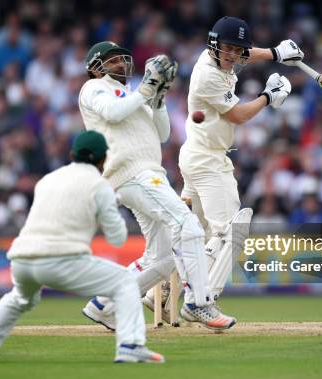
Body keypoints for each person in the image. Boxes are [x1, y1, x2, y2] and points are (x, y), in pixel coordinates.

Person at [0, 131, 164, 364]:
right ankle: (130, 346)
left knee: (19, 299)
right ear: (103, 159)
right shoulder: (99, 185)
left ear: (71, 154)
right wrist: (112, 204)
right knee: (125, 282)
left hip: (22, 259)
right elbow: (117, 238)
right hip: (61, 259)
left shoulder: (48, 179)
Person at [78, 41, 236, 331]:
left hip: (147, 173)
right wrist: (146, 89)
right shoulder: (93, 89)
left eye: (122, 59)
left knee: (162, 258)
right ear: (95, 67)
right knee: (188, 226)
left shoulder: (132, 94)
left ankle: (104, 304)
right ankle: (198, 303)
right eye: (111, 61)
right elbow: (112, 113)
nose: (119, 65)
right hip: (132, 172)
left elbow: (162, 133)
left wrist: (158, 99)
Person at [178, 17, 302, 303]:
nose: (233, 55)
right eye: (227, 49)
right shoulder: (208, 75)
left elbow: (247, 54)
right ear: (214, 46)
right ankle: (200, 300)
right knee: (228, 234)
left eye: (237, 49)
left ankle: (162, 293)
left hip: (196, 154)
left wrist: (276, 53)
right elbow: (238, 116)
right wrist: (268, 98)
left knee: (196, 235)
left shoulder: (218, 57)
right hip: (208, 161)